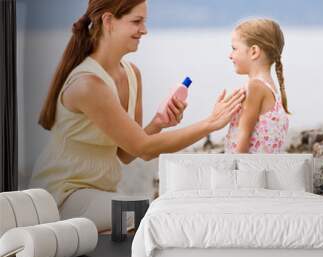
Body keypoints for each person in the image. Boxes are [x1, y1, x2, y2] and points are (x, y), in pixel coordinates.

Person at [29, 0, 244, 232]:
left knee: (144, 214)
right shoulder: (88, 84)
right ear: (108, 21)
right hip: (60, 198)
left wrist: (157, 124)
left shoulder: (132, 75)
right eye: (136, 21)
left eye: (145, 21)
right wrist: (210, 124)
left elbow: (126, 153)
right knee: (143, 214)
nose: (144, 30)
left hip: (97, 195)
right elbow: (145, 148)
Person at [224, 18, 290, 154]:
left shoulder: (255, 87)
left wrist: (235, 171)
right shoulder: (270, 88)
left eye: (234, 49)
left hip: (248, 171)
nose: (230, 56)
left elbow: (244, 135)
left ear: (254, 51)